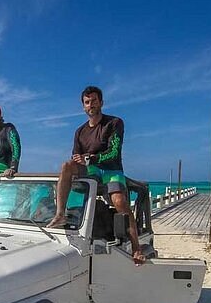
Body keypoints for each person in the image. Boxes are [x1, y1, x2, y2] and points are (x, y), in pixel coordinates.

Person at [46, 86, 146, 265]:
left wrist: (92, 157)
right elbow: (75, 157)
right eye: (87, 102)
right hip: (90, 169)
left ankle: (136, 247)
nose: (90, 104)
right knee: (66, 166)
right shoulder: (79, 131)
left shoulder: (115, 123)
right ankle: (60, 214)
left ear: (101, 102)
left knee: (120, 202)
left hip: (111, 169)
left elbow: (114, 152)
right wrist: (80, 160)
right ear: (83, 106)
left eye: (93, 101)